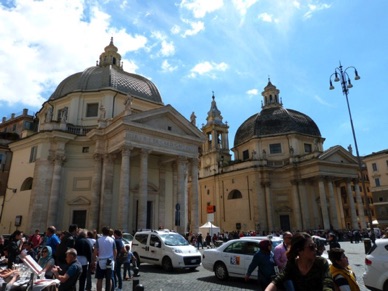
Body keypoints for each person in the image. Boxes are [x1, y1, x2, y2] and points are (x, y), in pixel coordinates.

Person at [265, 232, 334, 291]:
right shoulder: (292, 264)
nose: (315, 249)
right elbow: (277, 281)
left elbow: (328, 283)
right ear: (300, 250)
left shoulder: (321, 262)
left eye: (315, 245)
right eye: (311, 247)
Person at [95, 226, 117, 291]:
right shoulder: (112, 240)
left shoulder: (98, 240)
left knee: (99, 279)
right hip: (110, 261)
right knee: (109, 278)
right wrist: (114, 259)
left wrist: (93, 260)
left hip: (101, 261)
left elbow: (95, 251)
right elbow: (115, 251)